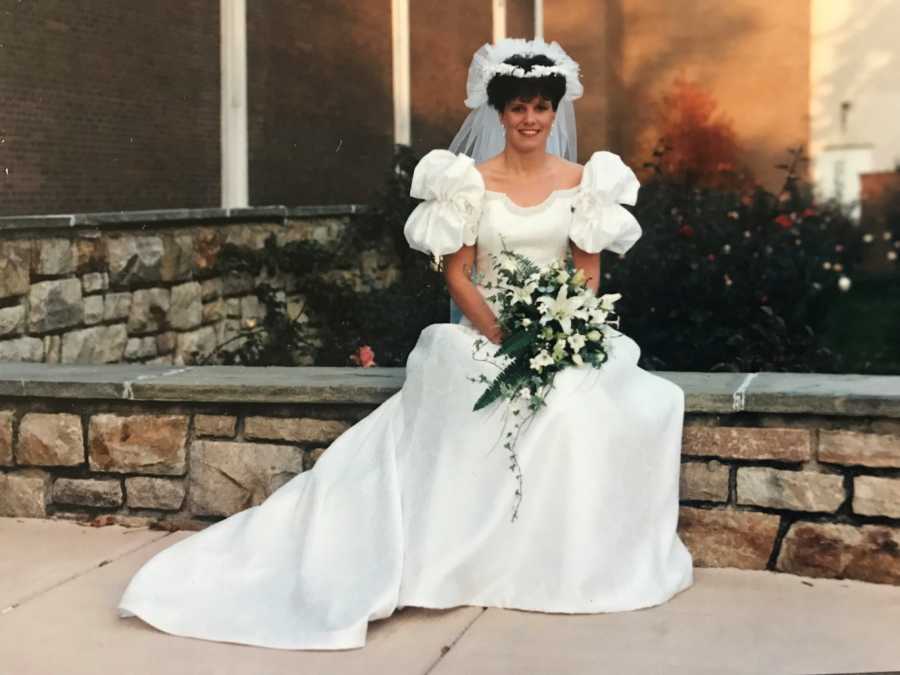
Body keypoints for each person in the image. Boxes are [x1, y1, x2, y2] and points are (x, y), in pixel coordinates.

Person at [117, 37, 694, 651]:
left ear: (556, 113)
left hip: (562, 331)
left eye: (541, 107)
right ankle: (456, 555)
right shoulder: (467, 181)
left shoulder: (587, 181)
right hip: (485, 333)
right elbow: (457, 275)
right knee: (472, 394)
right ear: (499, 113)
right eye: (518, 107)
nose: (530, 119)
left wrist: (557, 334)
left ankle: (566, 561)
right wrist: (505, 337)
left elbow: (587, 275)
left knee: (587, 408)